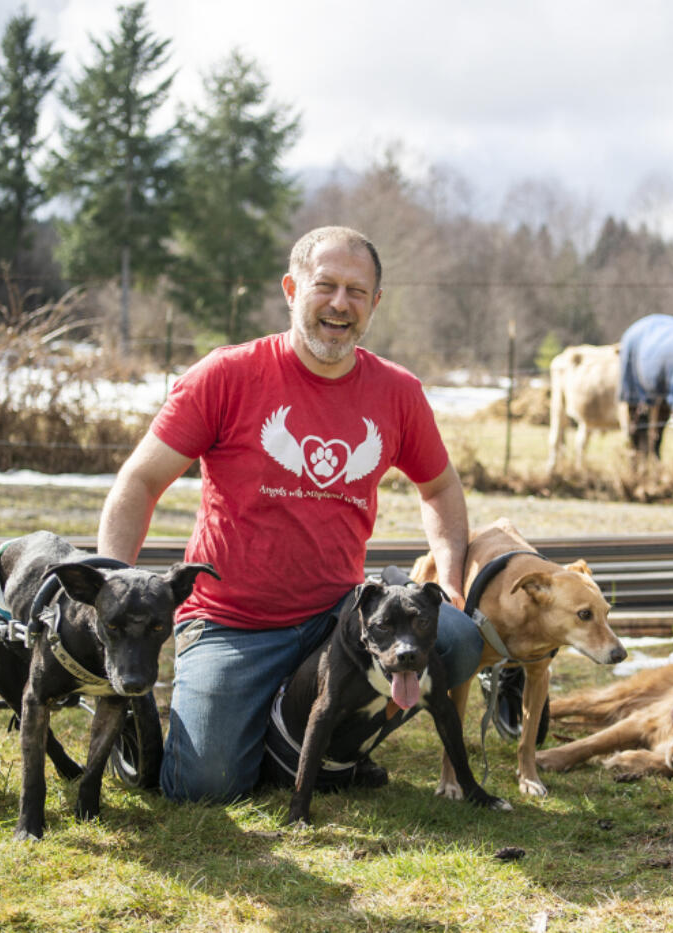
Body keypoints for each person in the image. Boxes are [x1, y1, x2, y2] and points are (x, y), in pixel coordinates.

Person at [97, 226, 483, 802]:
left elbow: (442, 490)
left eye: (357, 291)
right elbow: (140, 480)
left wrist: (449, 580)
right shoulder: (227, 376)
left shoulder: (396, 392)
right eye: (325, 285)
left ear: (375, 304)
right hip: (231, 624)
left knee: (456, 637)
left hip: (338, 619)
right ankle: (262, 734)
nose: (339, 304)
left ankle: (330, 751)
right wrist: (112, 579)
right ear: (290, 288)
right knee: (203, 788)